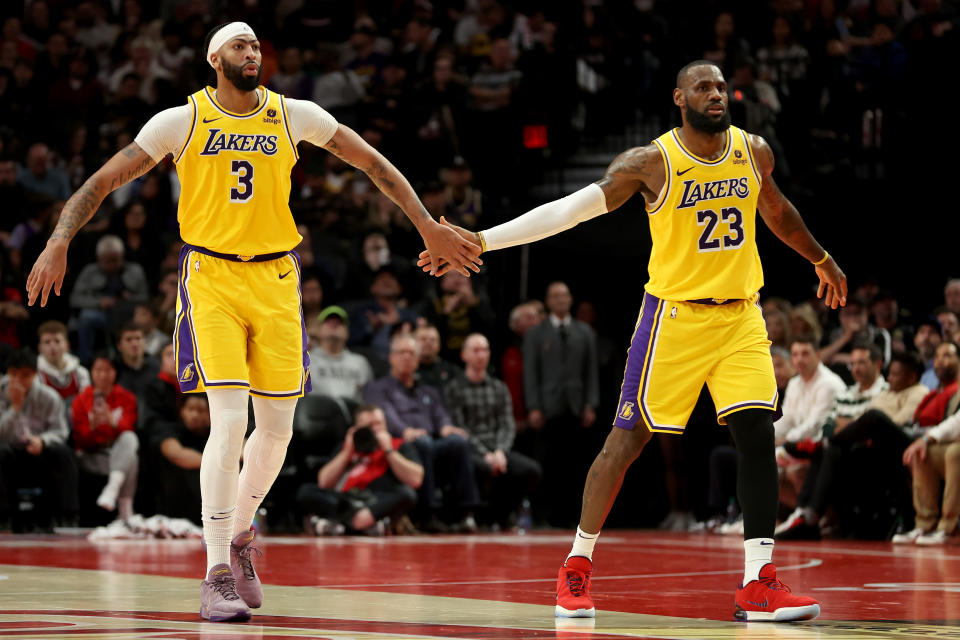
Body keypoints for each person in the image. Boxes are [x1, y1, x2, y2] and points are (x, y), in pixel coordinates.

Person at [25, 21, 480, 623]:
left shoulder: (293, 115)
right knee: (230, 416)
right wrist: (59, 239)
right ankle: (215, 568)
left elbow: (372, 162)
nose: (252, 52)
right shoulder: (181, 121)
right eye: (241, 45)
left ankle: (240, 536)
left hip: (277, 280)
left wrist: (426, 224)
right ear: (214, 56)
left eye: (257, 46)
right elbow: (104, 180)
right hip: (212, 279)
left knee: (277, 430)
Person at [419, 60, 846, 621]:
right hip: (673, 319)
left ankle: (757, 583)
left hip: (741, 314)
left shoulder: (753, 150)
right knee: (626, 443)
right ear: (679, 98)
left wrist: (820, 257)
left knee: (756, 434)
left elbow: (777, 211)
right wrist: (480, 239)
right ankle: (576, 564)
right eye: (703, 87)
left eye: (720, 87)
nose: (715, 95)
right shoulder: (652, 162)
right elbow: (567, 213)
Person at [363, 333, 480, 532]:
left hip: (430, 440)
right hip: (400, 443)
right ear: (391, 357)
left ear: (418, 360)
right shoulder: (378, 388)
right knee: (423, 443)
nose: (407, 357)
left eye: (411, 353)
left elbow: (441, 415)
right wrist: (405, 430)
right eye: (402, 353)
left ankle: (464, 514)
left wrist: (446, 427)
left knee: (458, 442)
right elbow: (386, 415)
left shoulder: (428, 391)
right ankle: (427, 514)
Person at [521, 281, 599, 527]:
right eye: (555, 296)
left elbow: (591, 372)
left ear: (570, 299)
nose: (561, 300)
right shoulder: (535, 334)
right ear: (548, 301)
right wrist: (533, 406)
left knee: (576, 464)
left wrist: (590, 404)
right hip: (547, 407)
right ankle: (543, 515)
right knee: (547, 463)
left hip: (575, 406)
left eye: (564, 295)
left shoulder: (585, 333)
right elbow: (530, 374)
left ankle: (573, 518)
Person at [445, 333, 541, 528]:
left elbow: (507, 425)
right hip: (471, 449)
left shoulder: (499, 387)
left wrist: (500, 451)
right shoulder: (454, 388)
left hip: (497, 448)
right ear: (464, 355)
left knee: (531, 471)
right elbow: (460, 427)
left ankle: (502, 514)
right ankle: (475, 516)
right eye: (476, 350)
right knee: (482, 467)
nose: (481, 354)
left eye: (485, 349)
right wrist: (485, 453)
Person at [297, 405, 423, 535]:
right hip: (346, 501)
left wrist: (389, 450)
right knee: (306, 491)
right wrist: (347, 452)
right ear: (357, 428)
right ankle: (366, 525)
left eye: (379, 424)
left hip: (375, 500)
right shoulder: (347, 446)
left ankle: (343, 525)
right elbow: (324, 482)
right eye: (370, 426)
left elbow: (415, 480)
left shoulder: (398, 445)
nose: (376, 429)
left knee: (407, 493)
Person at [0, 348, 78, 529]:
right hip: (8, 453)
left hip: (38, 452)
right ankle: (3, 520)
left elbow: (61, 431)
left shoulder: (49, 397)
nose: (19, 380)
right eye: (14, 374)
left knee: (64, 453)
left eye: (25, 375)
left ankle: (67, 517)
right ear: (7, 373)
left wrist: (43, 440)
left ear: (35, 374)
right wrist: (15, 407)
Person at [71, 356, 139, 521]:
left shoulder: (127, 397)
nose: (102, 375)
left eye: (107, 370)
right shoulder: (80, 400)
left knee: (130, 440)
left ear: (115, 372)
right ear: (91, 373)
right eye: (98, 370)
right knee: (131, 459)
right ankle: (125, 511)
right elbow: (79, 440)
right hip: (91, 454)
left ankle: (113, 489)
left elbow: (128, 427)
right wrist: (93, 428)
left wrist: (112, 421)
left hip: (117, 451)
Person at [307, 306, 373, 403]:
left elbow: (370, 396)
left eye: (339, 323)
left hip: (353, 414)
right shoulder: (306, 361)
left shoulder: (360, 362)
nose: (334, 326)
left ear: (347, 332)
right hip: (316, 414)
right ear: (319, 330)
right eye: (328, 322)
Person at [35, 320, 90, 405]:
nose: (52, 346)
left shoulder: (81, 373)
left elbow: (85, 405)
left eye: (57, 341)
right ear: (40, 348)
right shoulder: (36, 377)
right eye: (47, 342)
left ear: (67, 346)